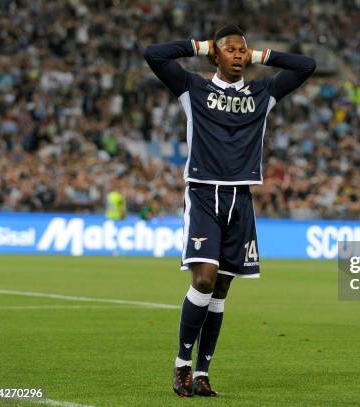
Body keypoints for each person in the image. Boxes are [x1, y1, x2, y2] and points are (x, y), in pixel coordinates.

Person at [144, 24, 315, 397]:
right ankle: (182, 365)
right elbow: (153, 54)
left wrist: (260, 56)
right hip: (205, 194)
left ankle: (203, 373)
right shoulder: (193, 89)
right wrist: (202, 46)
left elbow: (306, 65)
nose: (238, 55)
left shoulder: (263, 92)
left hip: (240, 198)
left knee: (220, 288)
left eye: (243, 51)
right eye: (231, 50)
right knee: (203, 279)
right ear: (216, 56)